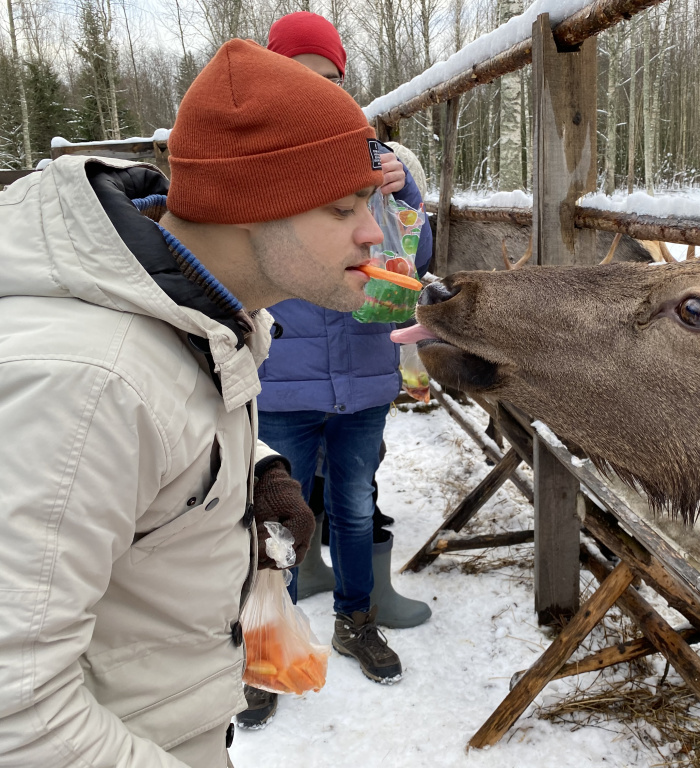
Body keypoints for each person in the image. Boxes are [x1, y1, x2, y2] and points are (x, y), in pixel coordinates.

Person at [0, 38, 383, 767]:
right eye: (342, 207)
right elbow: (15, 714)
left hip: (173, 722)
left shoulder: (204, 314)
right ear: (246, 204)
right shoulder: (85, 382)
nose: (372, 233)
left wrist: (256, 469)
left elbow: (167, 423)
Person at [237, 13, 431, 726]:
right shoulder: (253, 165)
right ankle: (267, 652)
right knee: (272, 522)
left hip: (362, 373)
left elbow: (414, 255)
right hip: (283, 373)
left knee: (352, 507)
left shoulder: (376, 157)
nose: (315, 92)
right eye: (298, 77)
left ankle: (356, 619)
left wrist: (406, 195)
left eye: (328, 81)